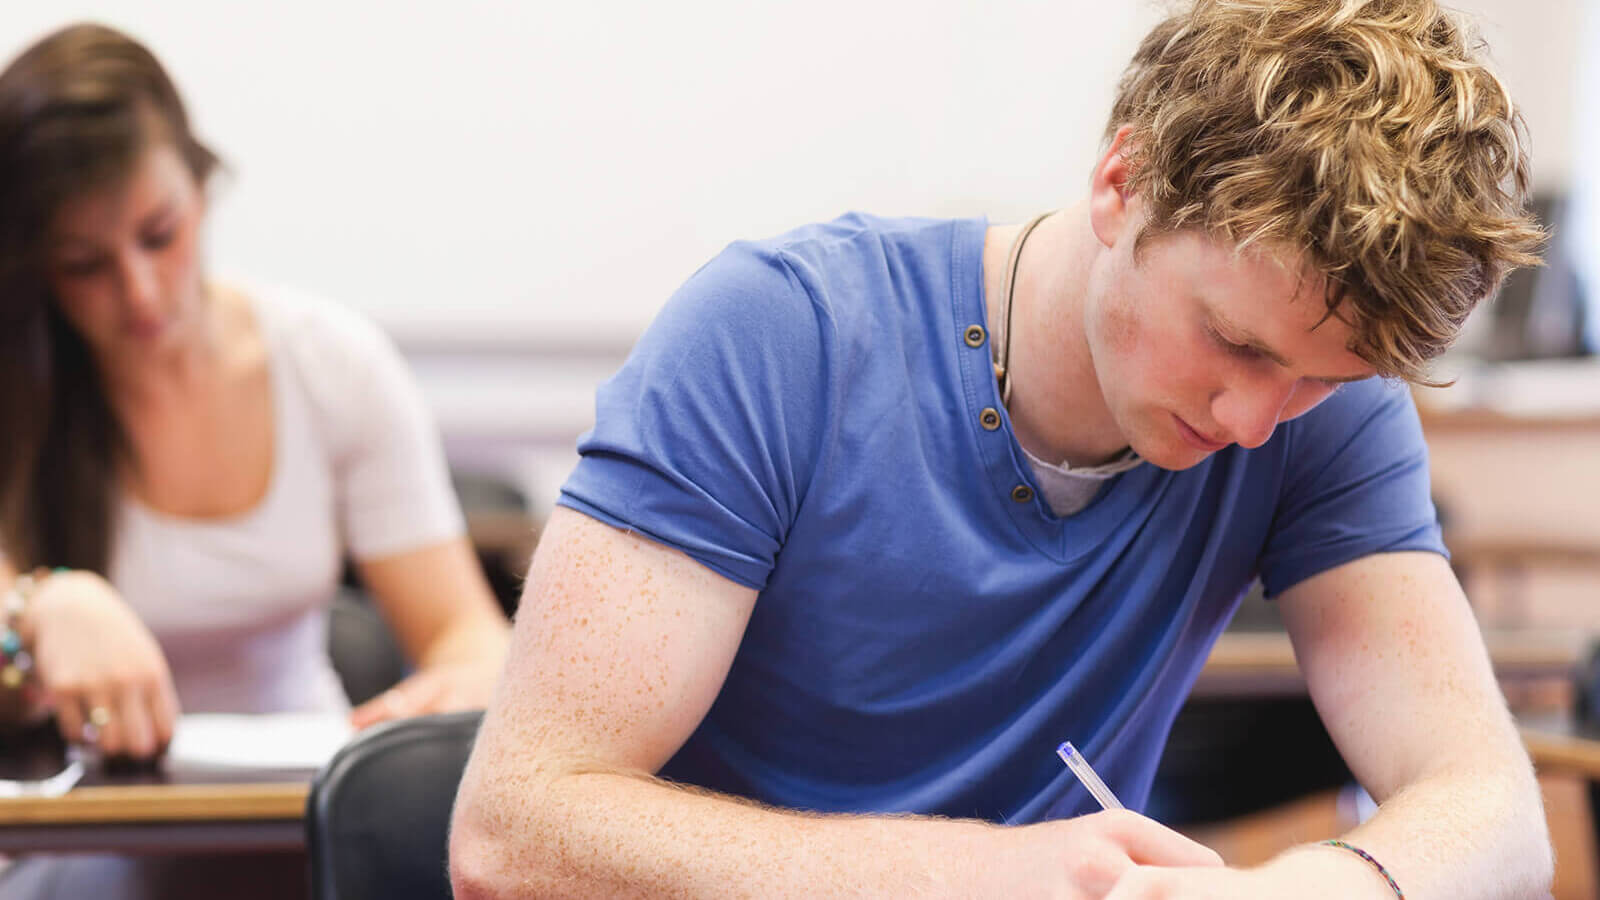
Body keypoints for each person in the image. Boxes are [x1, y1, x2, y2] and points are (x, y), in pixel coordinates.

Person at [451, 1, 1551, 897]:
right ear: (1123, 185)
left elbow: (1493, 812)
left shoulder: (1324, 407)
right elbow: (517, 830)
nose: (1254, 421)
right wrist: (982, 873)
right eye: (1230, 341)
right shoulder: (781, 337)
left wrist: (1306, 890)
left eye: (1321, 379)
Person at [0, 22, 511, 762]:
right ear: (35, 268)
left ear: (202, 190)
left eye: (159, 234)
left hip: (300, 811)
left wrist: (466, 680)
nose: (140, 293)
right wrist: (37, 611)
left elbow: (460, 630)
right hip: (81, 833)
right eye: (84, 264)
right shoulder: (21, 390)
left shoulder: (330, 362)